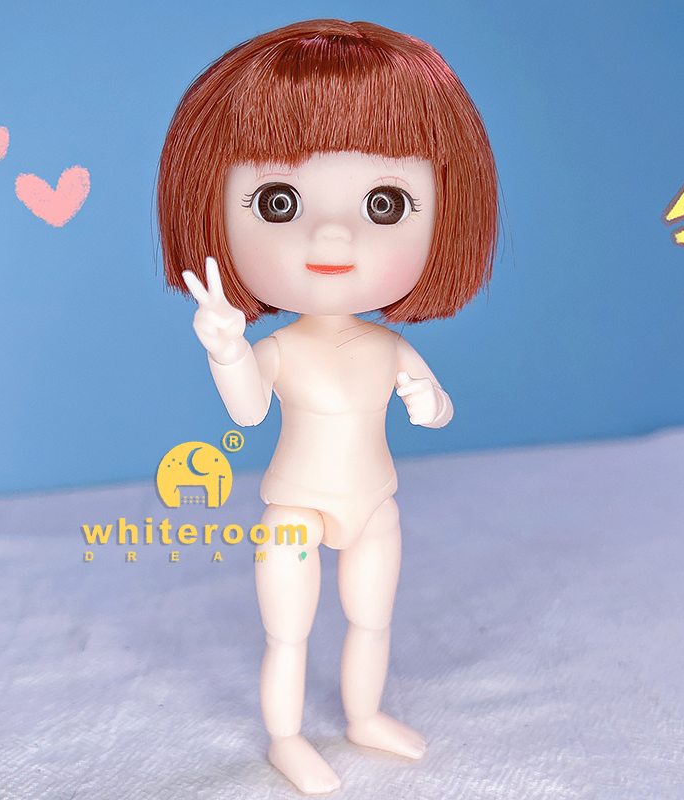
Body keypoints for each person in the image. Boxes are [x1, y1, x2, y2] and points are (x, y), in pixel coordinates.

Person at [158, 19, 498, 794]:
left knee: (372, 620)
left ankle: (364, 716)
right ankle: (285, 738)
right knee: (288, 634)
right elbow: (248, 412)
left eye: (387, 202)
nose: (334, 235)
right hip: (296, 510)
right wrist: (226, 350)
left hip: (375, 504)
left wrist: (430, 399)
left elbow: (437, 410)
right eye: (279, 202)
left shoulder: (387, 347)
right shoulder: (281, 349)